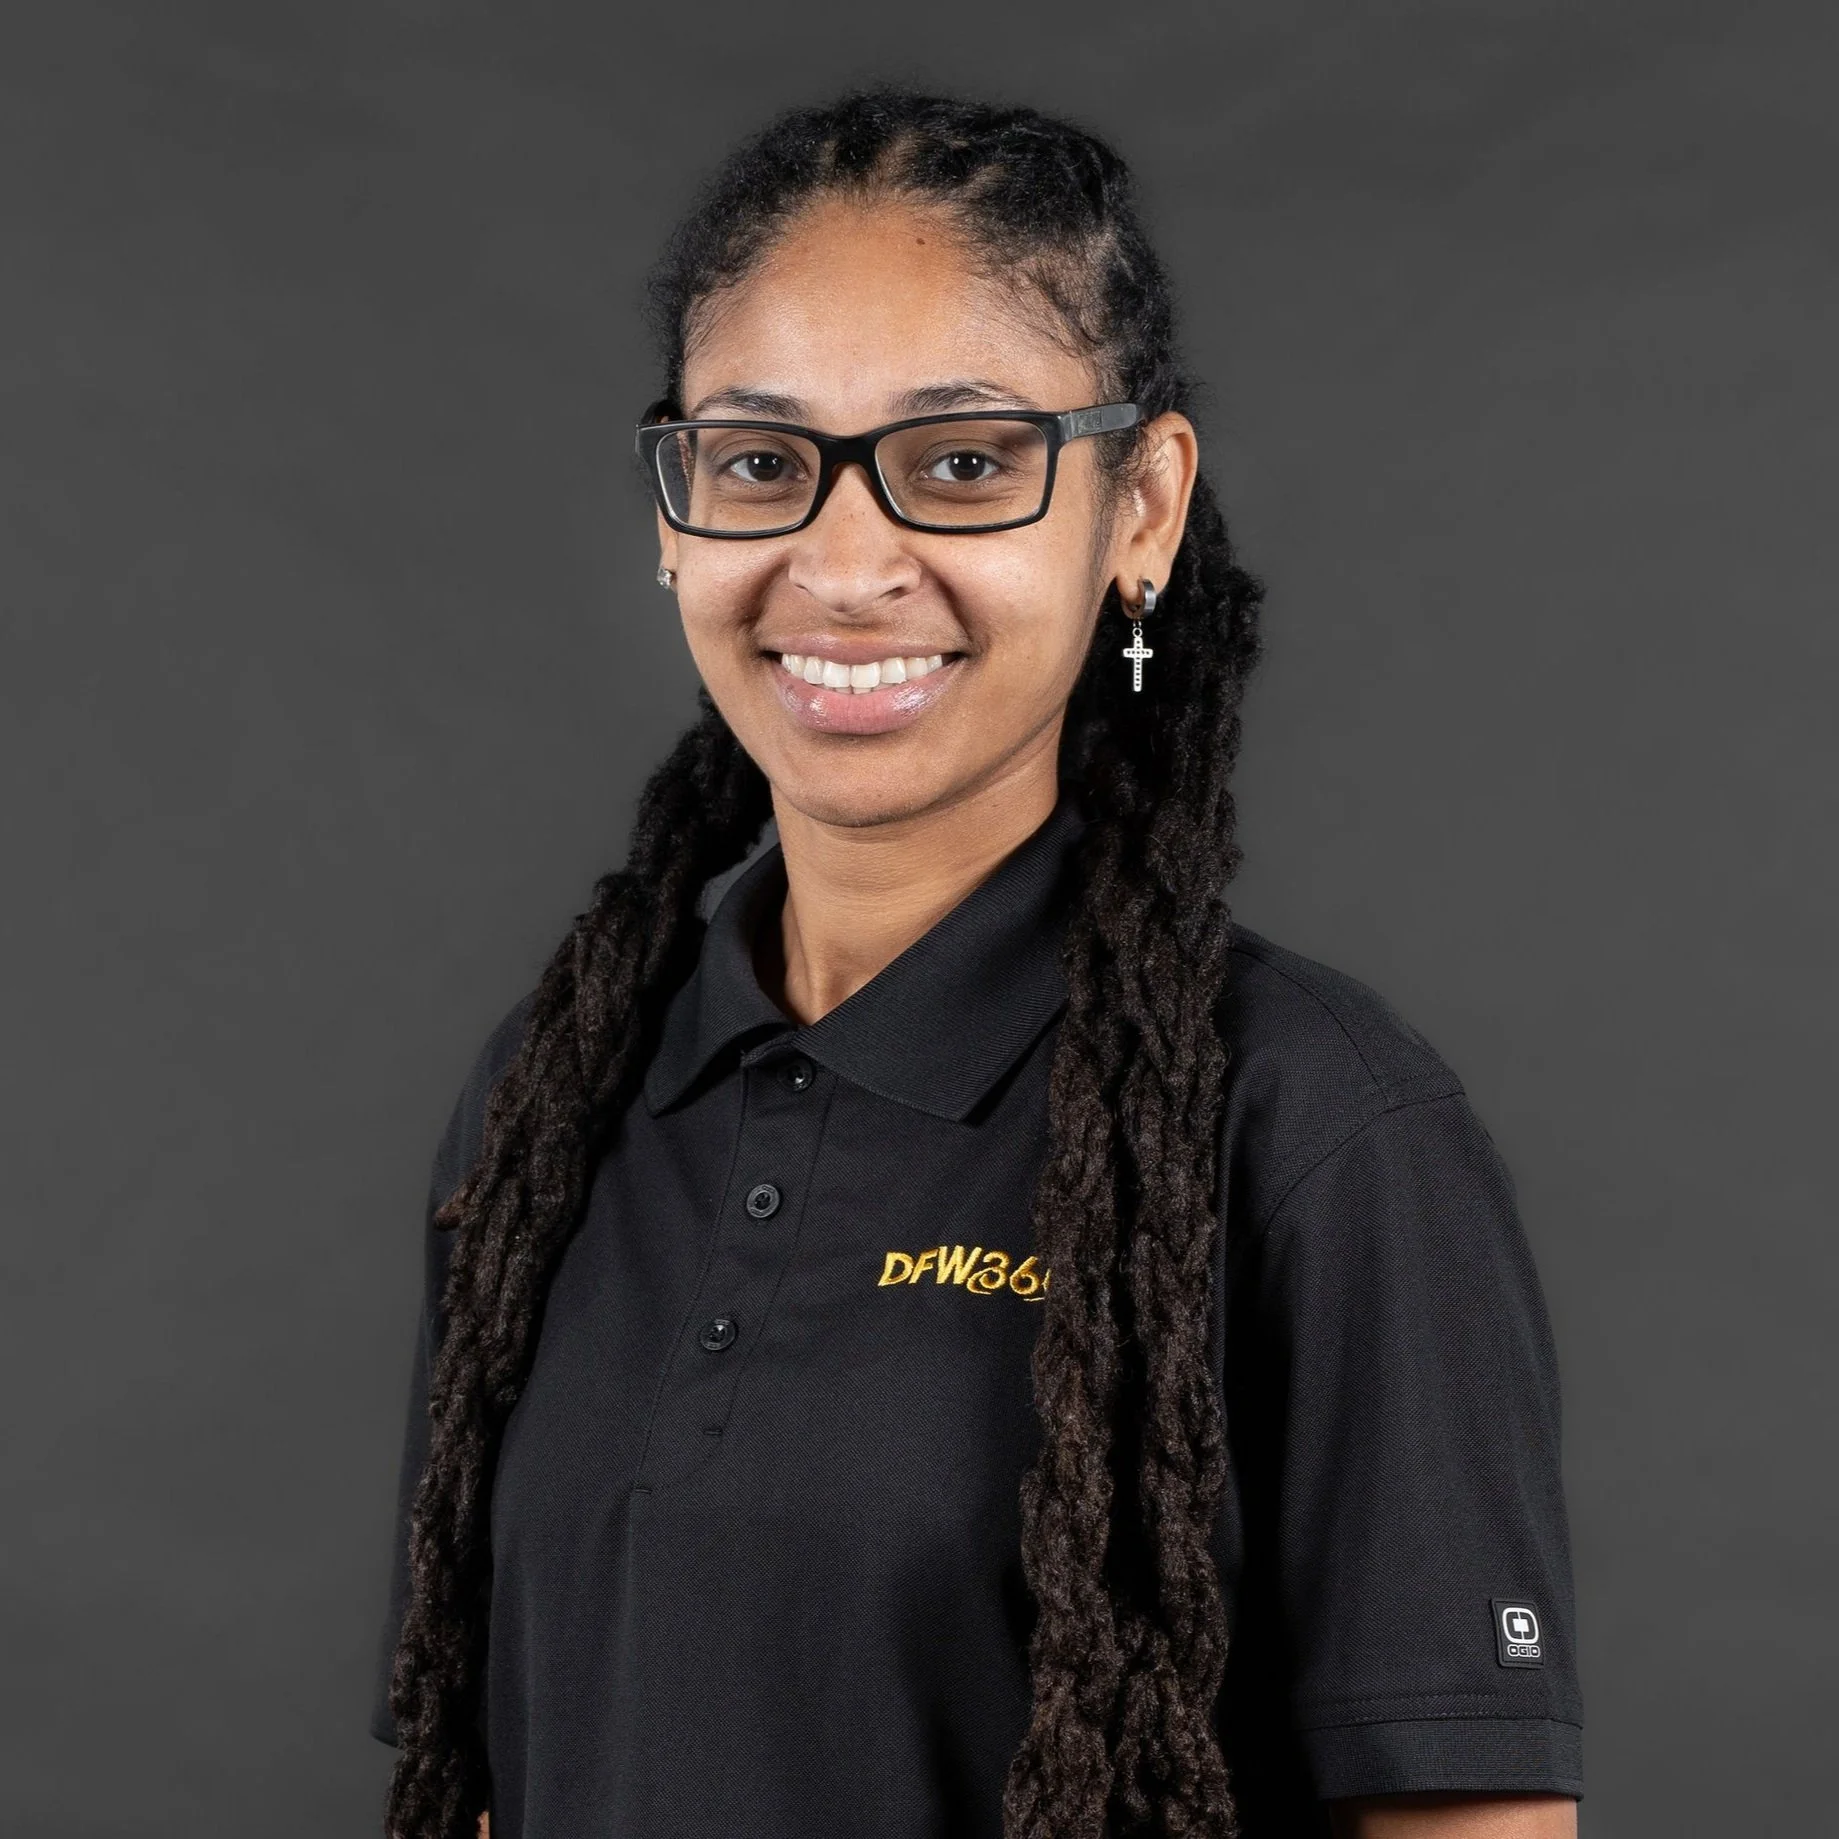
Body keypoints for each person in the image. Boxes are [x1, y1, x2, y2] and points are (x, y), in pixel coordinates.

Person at [369, 88, 1583, 1839]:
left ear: (1140, 508)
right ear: (671, 508)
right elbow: (485, 1774)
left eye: (960, 462)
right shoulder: (555, 1100)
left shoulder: (1314, 1126)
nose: (846, 563)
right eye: (760, 460)